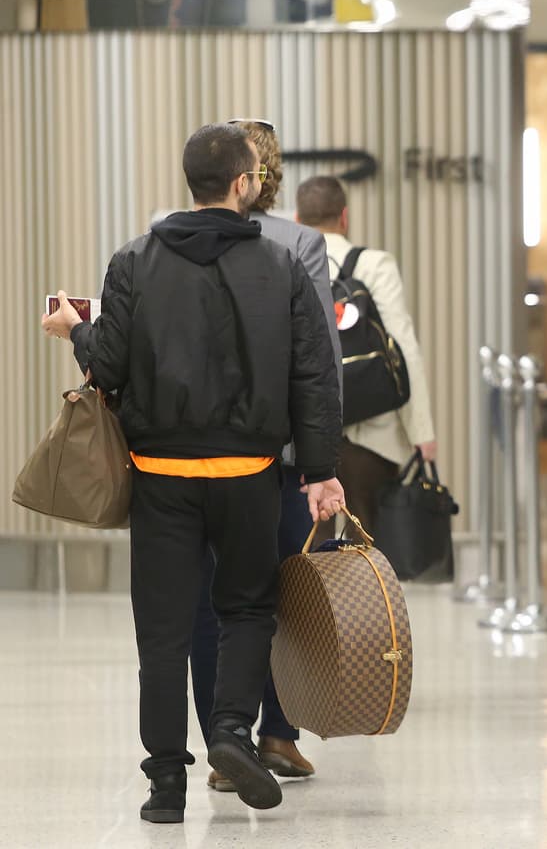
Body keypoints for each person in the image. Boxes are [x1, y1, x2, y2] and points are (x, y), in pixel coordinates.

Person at [40, 123, 345, 823]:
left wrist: (74, 331)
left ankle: (165, 785)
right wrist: (320, 470)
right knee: (246, 609)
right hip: (249, 476)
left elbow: (106, 367)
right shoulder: (282, 266)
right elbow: (313, 378)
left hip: (161, 477)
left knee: (165, 631)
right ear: (245, 183)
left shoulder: (135, 261)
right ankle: (234, 731)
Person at [190, 118, 343, 792]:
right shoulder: (301, 243)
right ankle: (279, 732)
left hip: (196, 457)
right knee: (290, 593)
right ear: (259, 177)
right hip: (279, 459)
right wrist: (321, 461)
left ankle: (226, 740)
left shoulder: (165, 238)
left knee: (213, 601)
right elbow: (321, 359)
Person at [295, 174, 438, 535]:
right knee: (370, 552)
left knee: (309, 557)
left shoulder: (286, 260)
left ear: (296, 219)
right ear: (344, 217)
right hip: (372, 437)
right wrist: (420, 430)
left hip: (304, 437)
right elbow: (402, 345)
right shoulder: (374, 264)